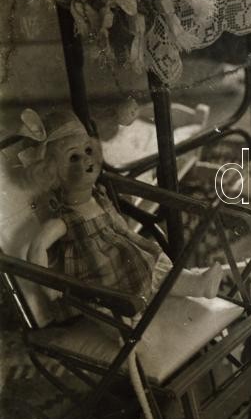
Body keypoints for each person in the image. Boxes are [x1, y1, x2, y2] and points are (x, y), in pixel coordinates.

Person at [19, 107, 224, 320]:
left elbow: (117, 222)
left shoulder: (99, 196)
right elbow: (37, 247)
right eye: (73, 157)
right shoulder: (66, 219)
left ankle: (195, 283)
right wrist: (50, 287)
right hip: (101, 278)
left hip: (127, 259)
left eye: (87, 151)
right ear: (52, 173)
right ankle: (188, 287)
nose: (86, 160)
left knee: (156, 268)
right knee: (133, 289)